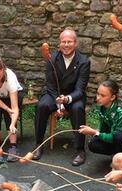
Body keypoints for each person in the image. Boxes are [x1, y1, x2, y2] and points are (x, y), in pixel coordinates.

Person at [33, 27, 90, 166]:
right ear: (59, 43)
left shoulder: (84, 61)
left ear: (75, 43)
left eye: (69, 42)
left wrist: (66, 100)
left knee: (78, 109)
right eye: (63, 42)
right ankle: (39, 144)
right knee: (42, 105)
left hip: (73, 95)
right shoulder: (51, 59)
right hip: (53, 93)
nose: (66, 45)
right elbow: (50, 85)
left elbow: (80, 88)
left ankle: (80, 150)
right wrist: (58, 103)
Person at [79, 79, 122, 155]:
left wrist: (95, 132)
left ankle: (121, 158)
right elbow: (103, 124)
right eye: (97, 94)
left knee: (118, 137)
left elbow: (115, 136)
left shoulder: (121, 110)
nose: (98, 98)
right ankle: (116, 153)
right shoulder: (101, 105)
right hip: (116, 133)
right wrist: (98, 133)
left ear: (112, 97)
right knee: (93, 144)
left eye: (102, 95)